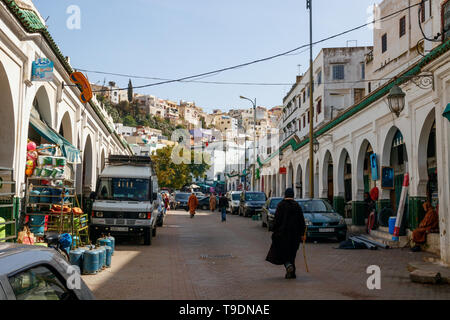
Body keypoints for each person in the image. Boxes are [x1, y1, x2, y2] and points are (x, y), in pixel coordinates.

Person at [266, 188, 305, 279]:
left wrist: (274, 229)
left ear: (285, 195)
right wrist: (302, 234)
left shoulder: (281, 205)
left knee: (282, 253)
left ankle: (288, 266)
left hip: (282, 235)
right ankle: (292, 273)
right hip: (295, 236)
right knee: (292, 254)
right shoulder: (297, 206)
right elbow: (301, 221)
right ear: (293, 195)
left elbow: (277, 220)